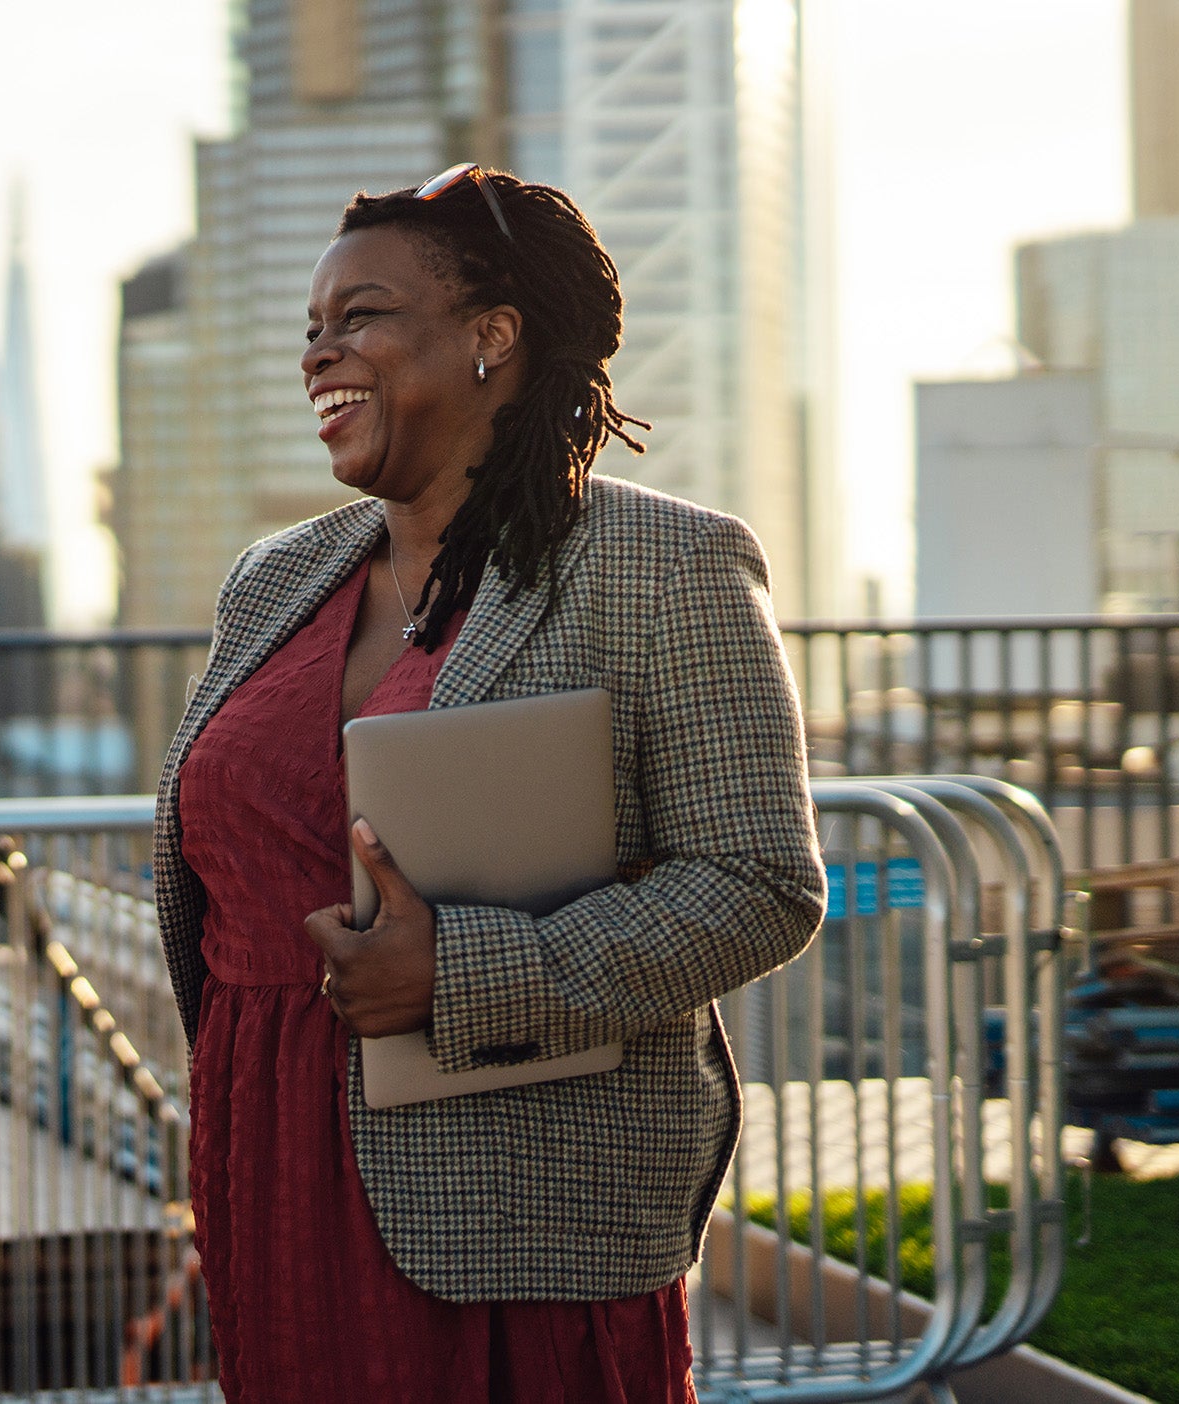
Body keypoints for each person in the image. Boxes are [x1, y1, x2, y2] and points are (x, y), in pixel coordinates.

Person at [150, 164, 824, 1402]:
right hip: (274, 1161)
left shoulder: (666, 565)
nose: (320, 353)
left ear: (491, 340)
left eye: (360, 317)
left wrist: (463, 973)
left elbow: (761, 882)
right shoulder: (272, 580)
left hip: (518, 1187)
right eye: (310, 329)